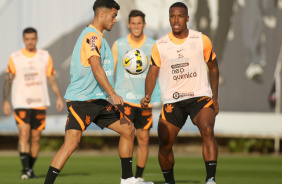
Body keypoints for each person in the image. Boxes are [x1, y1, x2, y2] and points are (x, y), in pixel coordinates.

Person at [44, 1, 151, 184]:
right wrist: (113, 93)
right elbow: (95, 67)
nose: (115, 20)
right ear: (102, 14)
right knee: (71, 144)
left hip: (99, 101)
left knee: (127, 129)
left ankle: (127, 179)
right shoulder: (92, 37)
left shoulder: (97, 37)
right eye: (113, 15)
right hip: (82, 101)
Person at [141, 2, 219, 184]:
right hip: (173, 100)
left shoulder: (201, 40)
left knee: (208, 130)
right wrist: (147, 96)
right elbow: (152, 73)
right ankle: (170, 182)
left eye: (180, 16)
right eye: (172, 16)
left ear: (187, 18)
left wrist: (215, 97)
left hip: (199, 96)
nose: (176, 20)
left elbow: (213, 68)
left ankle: (210, 180)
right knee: (164, 143)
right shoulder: (160, 45)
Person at [2, 27, 64, 179]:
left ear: (37, 39)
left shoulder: (44, 56)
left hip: (40, 102)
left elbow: (51, 77)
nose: (30, 41)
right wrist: (5, 100)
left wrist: (58, 96)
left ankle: (30, 169)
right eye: (27, 39)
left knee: (36, 138)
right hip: (21, 101)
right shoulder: (15, 57)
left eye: (33, 39)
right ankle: (25, 170)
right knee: (24, 134)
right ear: (24, 40)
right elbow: (8, 80)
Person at [112, 10, 161, 183]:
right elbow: (110, 70)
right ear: (128, 24)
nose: (136, 26)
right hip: (124, 98)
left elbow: (158, 72)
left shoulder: (153, 45)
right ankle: (126, 176)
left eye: (139, 23)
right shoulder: (119, 44)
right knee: (126, 135)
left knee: (144, 139)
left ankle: (138, 177)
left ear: (144, 24)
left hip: (144, 100)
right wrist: (111, 93)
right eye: (133, 23)